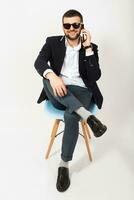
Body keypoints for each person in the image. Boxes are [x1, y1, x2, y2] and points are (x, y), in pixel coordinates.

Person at [34, 9, 107, 192]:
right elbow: (39, 62)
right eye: (68, 25)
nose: (72, 28)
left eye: (76, 24)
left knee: (71, 115)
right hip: (57, 89)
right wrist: (53, 76)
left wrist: (88, 47)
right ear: (63, 27)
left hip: (82, 91)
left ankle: (63, 165)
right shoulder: (52, 42)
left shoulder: (91, 47)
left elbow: (95, 76)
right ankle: (88, 117)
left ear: (82, 26)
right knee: (46, 77)